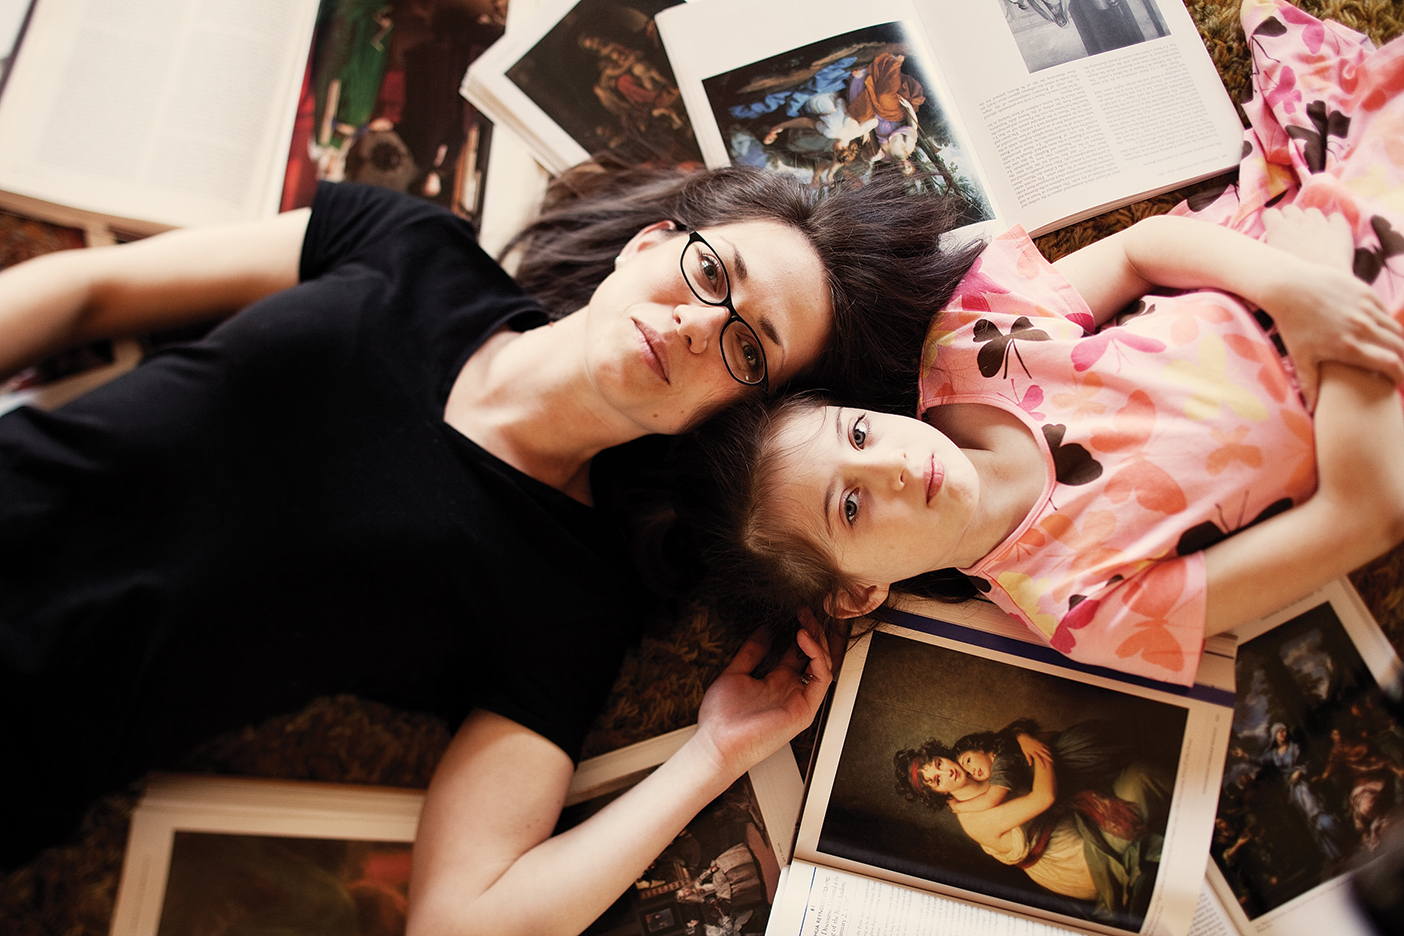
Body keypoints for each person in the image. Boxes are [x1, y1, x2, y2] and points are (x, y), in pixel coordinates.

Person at [0, 158, 981, 936]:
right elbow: (87, 290)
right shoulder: (410, 245)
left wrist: (716, 753)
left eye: (748, 346)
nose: (695, 324)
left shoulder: (566, 597)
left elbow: (462, 922)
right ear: (648, 243)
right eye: (710, 272)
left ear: (735, 410)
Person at [680, 0, 1404, 685]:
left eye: (860, 434)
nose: (894, 467)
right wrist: (1330, 282)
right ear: (858, 594)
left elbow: (1141, 252)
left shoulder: (967, 346)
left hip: (1282, 262)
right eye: (850, 507)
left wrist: (1291, 287)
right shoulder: (1083, 612)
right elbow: (1363, 513)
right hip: (1374, 393)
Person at [893, 730, 1165, 918]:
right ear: (938, 794)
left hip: (1085, 821)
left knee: (1138, 774)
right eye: (937, 780)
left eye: (939, 763)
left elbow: (1005, 743)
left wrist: (1022, 737)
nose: (946, 772)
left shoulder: (979, 766)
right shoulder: (974, 822)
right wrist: (1034, 747)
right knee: (1140, 781)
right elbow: (1045, 796)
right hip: (1077, 861)